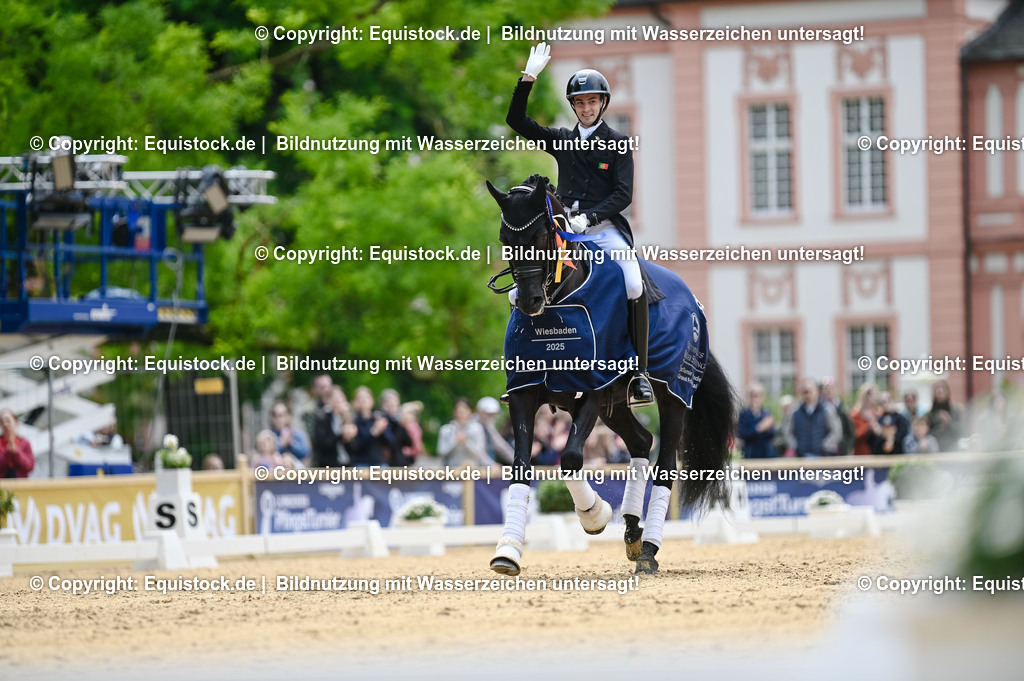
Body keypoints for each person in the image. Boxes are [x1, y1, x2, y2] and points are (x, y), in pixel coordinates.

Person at [506, 42, 652, 407]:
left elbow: (624, 194)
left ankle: (640, 374)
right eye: (580, 103)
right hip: (561, 232)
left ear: (602, 103)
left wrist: (591, 216)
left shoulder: (618, 144)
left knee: (633, 283)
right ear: (574, 106)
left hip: (602, 231)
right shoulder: (562, 140)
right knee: (516, 292)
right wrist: (528, 78)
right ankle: (523, 372)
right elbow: (516, 122)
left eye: (592, 102)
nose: (586, 109)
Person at [785, 378, 841, 457]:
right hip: (801, 456)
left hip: (823, 456)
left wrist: (824, 445)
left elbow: (836, 431)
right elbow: (788, 432)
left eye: (809, 391)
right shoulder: (796, 412)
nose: (807, 395)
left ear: (817, 391)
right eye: (805, 392)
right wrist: (796, 446)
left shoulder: (827, 410)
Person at [437, 397, 491, 468]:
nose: (461, 412)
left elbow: (479, 454)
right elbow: (441, 452)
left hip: (471, 470)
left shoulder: (477, 429)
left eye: (464, 409)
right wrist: (455, 442)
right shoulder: (446, 429)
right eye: (458, 409)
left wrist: (466, 442)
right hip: (450, 471)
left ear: (470, 411)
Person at [736, 382, 776, 458]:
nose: (756, 398)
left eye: (758, 395)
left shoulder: (766, 413)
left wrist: (768, 428)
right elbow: (743, 434)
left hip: (766, 454)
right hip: (751, 454)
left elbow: (772, 434)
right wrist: (760, 427)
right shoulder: (744, 414)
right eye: (754, 395)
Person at [377, 389, 414, 466]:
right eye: (389, 403)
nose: (392, 405)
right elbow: (391, 443)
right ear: (382, 405)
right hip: (383, 462)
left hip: (399, 462)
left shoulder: (399, 423)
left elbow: (408, 443)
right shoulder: (379, 420)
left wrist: (403, 426)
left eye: (394, 403)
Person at [476, 396, 514, 464]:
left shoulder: (489, 428)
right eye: (488, 414)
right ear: (480, 412)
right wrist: (492, 465)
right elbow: (478, 453)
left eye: (493, 414)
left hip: (487, 469)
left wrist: (519, 460)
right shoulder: (474, 427)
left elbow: (503, 448)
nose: (491, 417)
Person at [927, 379, 963, 452]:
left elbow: (961, 432)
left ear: (947, 393)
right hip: (935, 450)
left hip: (953, 450)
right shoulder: (930, 414)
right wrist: (940, 428)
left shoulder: (956, 412)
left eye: (942, 391)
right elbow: (927, 435)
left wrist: (949, 422)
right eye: (938, 391)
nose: (940, 394)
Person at [0, 409, 34, 478]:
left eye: (8, 421)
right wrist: (8, 452)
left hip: (20, 486)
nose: (5, 424)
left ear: (15, 422)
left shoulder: (24, 443)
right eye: (2, 421)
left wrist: (16, 452)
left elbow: (30, 466)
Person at [849, 383, 879, 456]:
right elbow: (855, 435)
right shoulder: (855, 414)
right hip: (861, 453)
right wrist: (868, 424)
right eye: (870, 394)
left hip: (877, 453)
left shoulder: (878, 412)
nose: (874, 397)